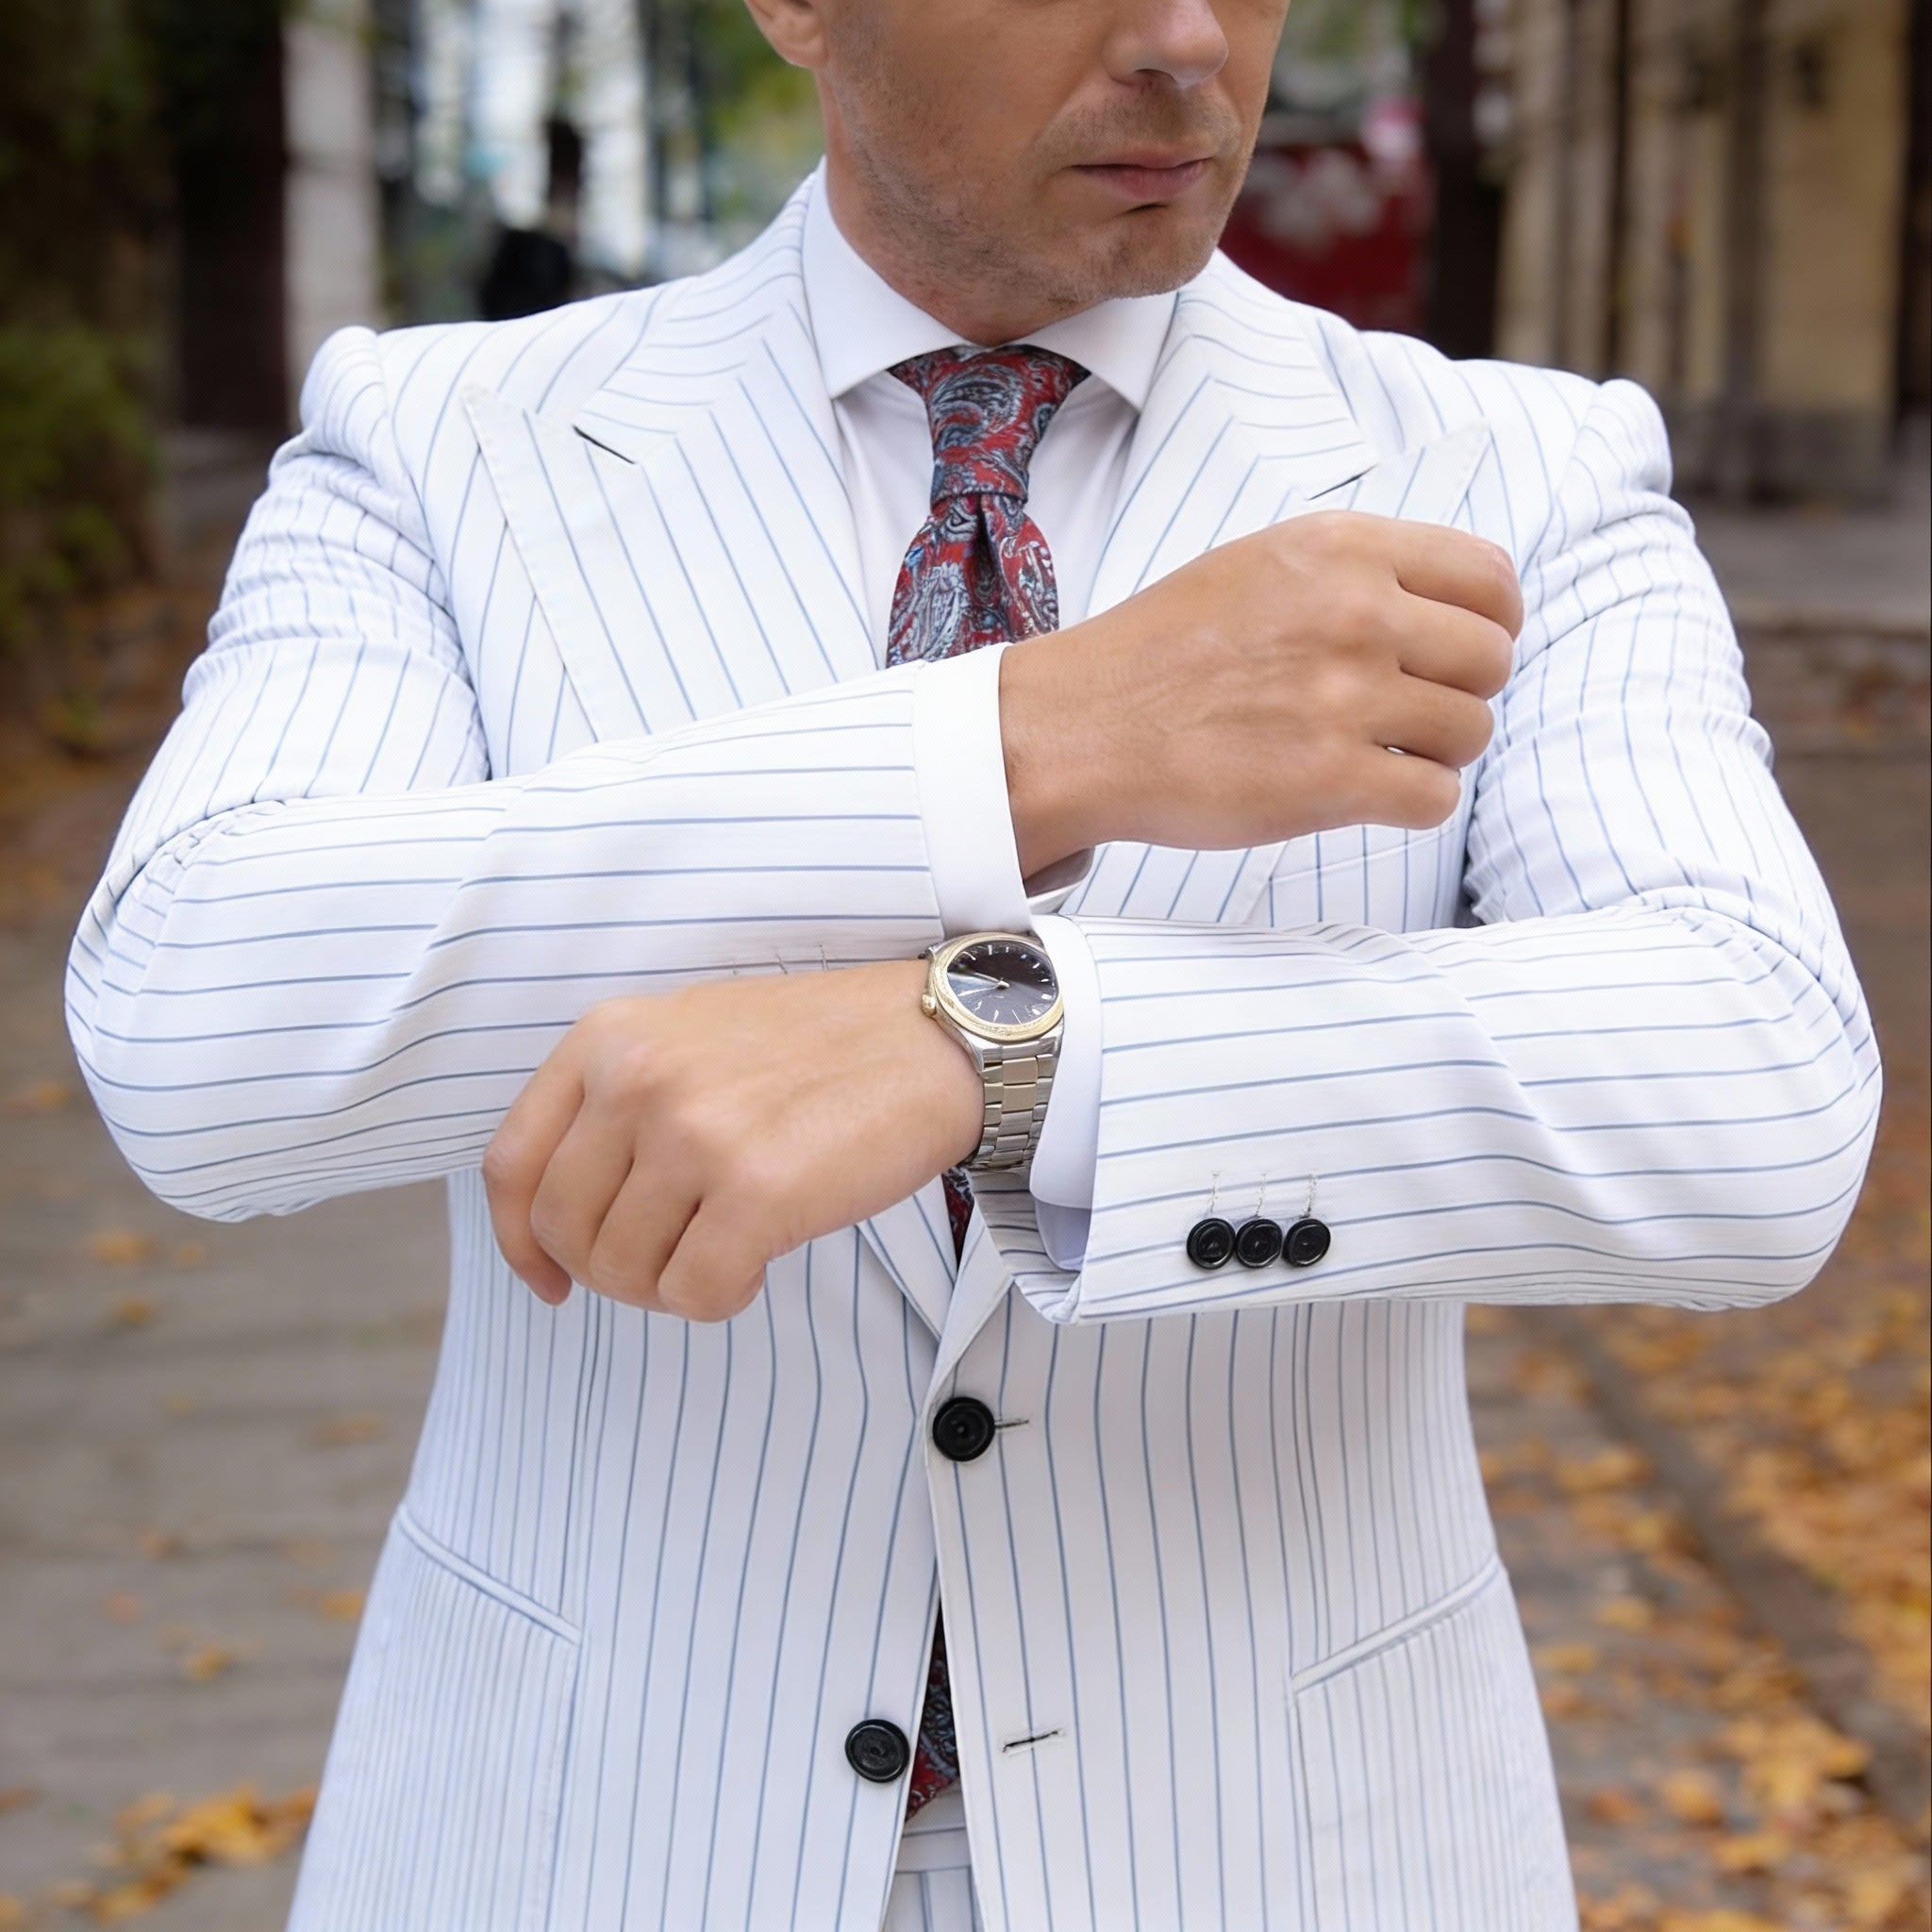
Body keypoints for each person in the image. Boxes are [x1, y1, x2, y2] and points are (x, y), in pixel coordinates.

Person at [68, 0, 1877, 1926]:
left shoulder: (1513, 466)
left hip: (1287, 1852)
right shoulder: (443, 447)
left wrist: (1011, 1049)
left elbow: (1749, 1092)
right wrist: (1031, 742)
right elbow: (200, 1018)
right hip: (589, 1836)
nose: (1188, 36)